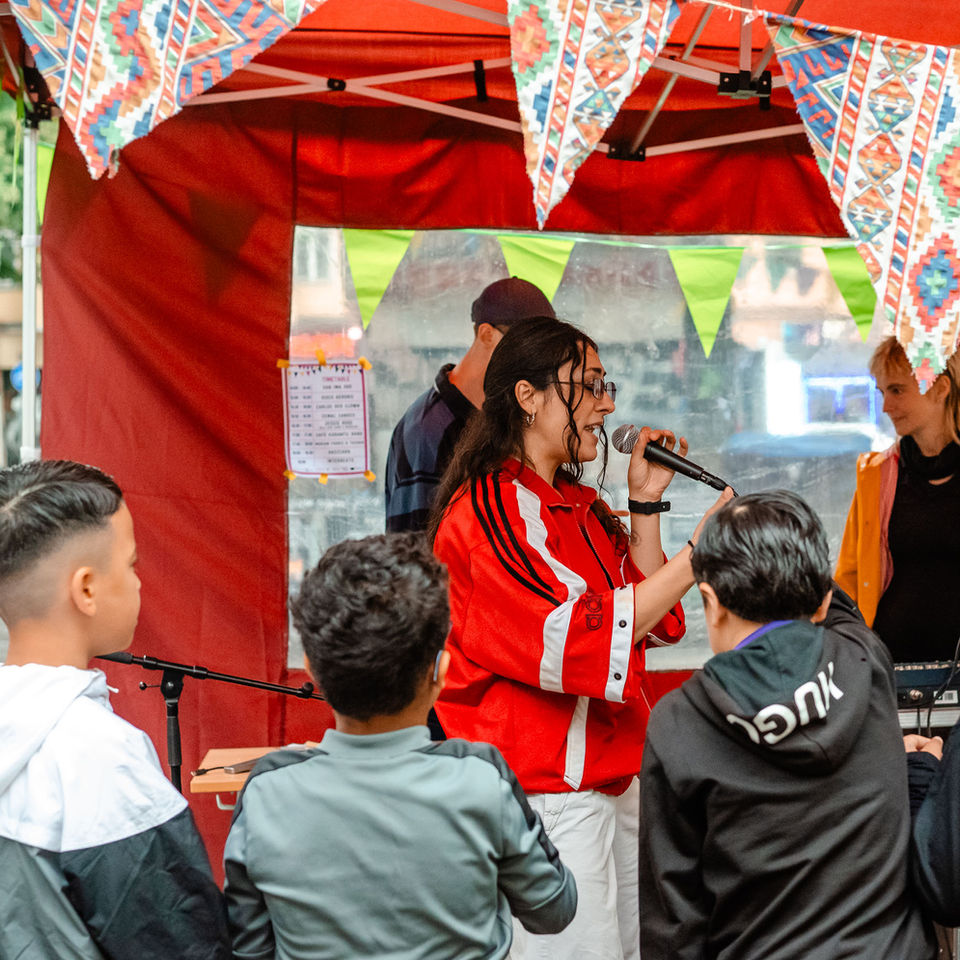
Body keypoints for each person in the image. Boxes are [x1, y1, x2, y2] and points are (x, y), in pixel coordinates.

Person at [428, 315, 730, 960]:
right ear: (528, 397)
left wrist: (644, 506)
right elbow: (572, 639)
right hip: (548, 800)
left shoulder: (578, 506)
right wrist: (699, 552)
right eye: (588, 386)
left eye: (606, 385)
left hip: (612, 782)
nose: (608, 403)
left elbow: (649, 621)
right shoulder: (491, 510)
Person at [223, 532, 577, 960]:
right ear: (440, 671)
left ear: (312, 671)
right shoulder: (482, 778)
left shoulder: (264, 793)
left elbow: (248, 949)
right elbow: (554, 909)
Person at [639, 490, 935, 960]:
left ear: (711, 602)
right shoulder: (864, 659)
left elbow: (674, 923)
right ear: (820, 601)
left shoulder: (679, 723)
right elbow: (834, 606)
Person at [0, 459, 229, 960]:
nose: (138, 582)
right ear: (86, 589)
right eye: (131, 565)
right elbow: (180, 943)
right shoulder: (101, 758)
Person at [384, 276, 555, 534]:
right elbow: (412, 554)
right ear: (487, 334)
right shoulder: (429, 429)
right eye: (524, 344)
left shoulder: (501, 416)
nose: (534, 358)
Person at [836, 336, 960, 661]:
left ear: (941, 388)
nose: (886, 407)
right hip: (889, 666)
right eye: (882, 392)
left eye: (897, 390)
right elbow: (847, 579)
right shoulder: (876, 475)